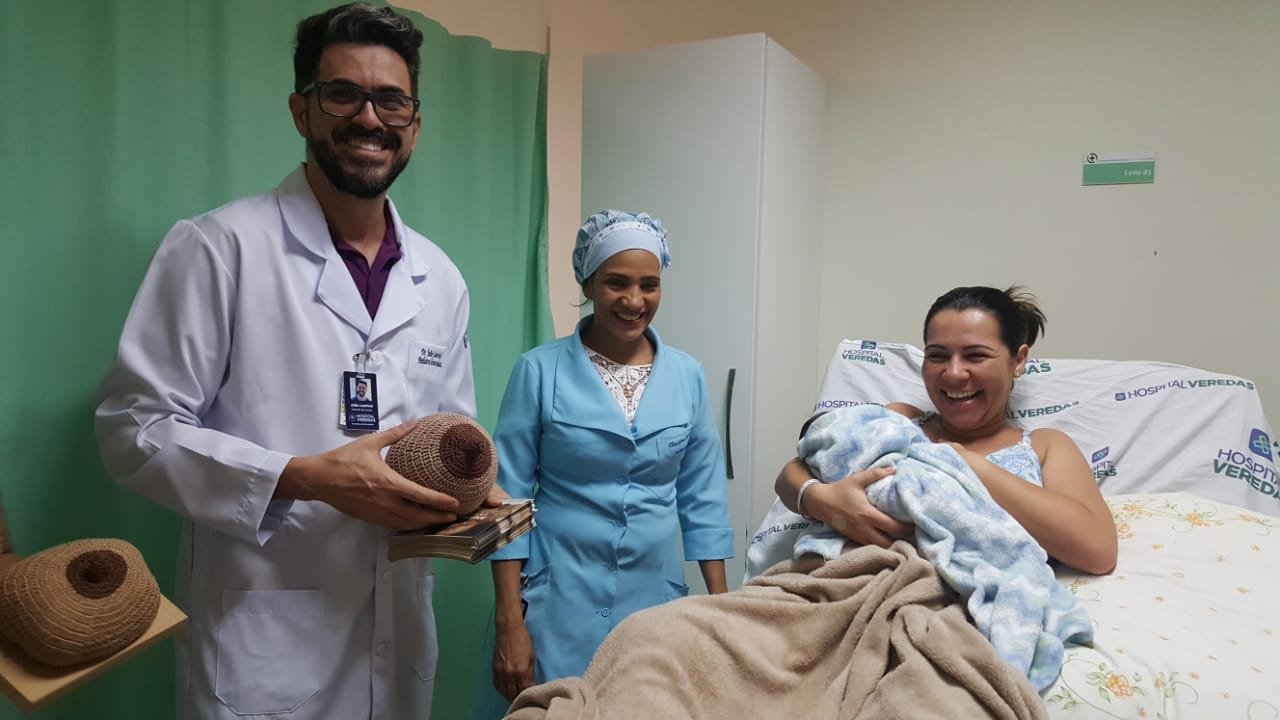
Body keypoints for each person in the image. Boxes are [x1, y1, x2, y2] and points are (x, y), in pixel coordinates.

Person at [93, 5, 498, 718]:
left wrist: (469, 499)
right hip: (263, 645)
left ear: (414, 124)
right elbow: (133, 428)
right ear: (300, 111)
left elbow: (447, 431)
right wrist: (299, 477)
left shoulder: (441, 278)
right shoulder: (220, 248)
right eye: (342, 94)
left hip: (398, 640)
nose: (369, 118)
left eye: (392, 100)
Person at [472, 210, 735, 717]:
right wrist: (509, 622)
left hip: (654, 601)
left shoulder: (688, 377)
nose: (634, 301)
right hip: (557, 599)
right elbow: (507, 500)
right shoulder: (539, 370)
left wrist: (722, 614)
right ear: (587, 283)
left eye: (649, 285)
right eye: (617, 283)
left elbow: (702, 499)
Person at [775, 285, 1118, 575]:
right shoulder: (900, 421)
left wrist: (968, 465)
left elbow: (1097, 551)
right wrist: (820, 500)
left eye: (975, 356)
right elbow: (796, 469)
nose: (954, 374)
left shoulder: (1045, 446)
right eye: (938, 356)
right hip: (849, 582)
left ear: (1018, 360)